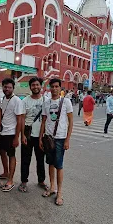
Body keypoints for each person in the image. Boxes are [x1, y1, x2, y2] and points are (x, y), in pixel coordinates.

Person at [39, 78, 73, 206]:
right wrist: (40, 138)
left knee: (59, 165)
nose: (54, 89)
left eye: (56, 86)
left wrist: (67, 139)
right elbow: (43, 121)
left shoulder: (66, 102)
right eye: (52, 86)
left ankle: (59, 192)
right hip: (48, 138)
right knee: (50, 164)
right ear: (49, 88)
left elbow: (71, 122)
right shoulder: (46, 103)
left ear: (60, 88)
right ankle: (52, 187)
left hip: (60, 138)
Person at [18, 77, 48, 193]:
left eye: (37, 85)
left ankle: (41, 181)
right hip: (28, 133)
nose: (35, 87)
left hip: (41, 134)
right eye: (33, 85)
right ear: (30, 87)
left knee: (41, 159)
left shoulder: (46, 100)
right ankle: (24, 181)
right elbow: (21, 119)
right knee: (25, 159)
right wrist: (22, 135)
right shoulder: (25, 101)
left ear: (41, 86)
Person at [0, 78, 23, 192]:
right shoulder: (3, 98)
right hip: (2, 132)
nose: (7, 89)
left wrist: (17, 137)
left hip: (11, 133)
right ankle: (5, 172)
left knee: (11, 155)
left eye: (9, 87)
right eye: (5, 87)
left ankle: (11, 180)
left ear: (13, 88)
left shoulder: (17, 101)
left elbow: (20, 120)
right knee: (2, 152)